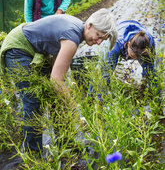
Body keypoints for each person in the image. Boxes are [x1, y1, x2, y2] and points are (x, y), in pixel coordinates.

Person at [0, 9, 117, 153]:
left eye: (102, 40)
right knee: (32, 100)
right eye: (98, 35)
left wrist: (63, 95)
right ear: (90, 25)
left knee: (55, 96)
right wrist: (76, 112)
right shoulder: (72, 38)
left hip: (34, 49)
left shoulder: (78, 31)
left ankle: (64, 142)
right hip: (18, 48)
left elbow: (55, 72)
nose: (98, 42)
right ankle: (33, 153)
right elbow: (56, 80)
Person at [104, 20, 156, 88]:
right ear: (128, 45)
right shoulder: (116, 44)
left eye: (138, 57)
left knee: (149, 72)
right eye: (133, 56)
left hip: (138, 30)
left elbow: (150, 70)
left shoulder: (149, 43)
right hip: (120, 28)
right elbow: (107, 74)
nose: (135, 59)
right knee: (106, 70)